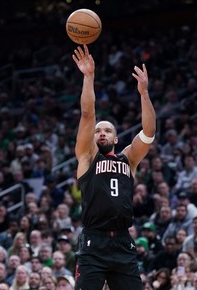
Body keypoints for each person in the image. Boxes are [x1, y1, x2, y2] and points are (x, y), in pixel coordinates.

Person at [72, 44, 156, 290]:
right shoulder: (87, 156)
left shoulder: (128, 158)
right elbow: (88, 114)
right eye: (98, 130)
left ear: (116, 139)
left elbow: (149, 132)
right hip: (93, 242)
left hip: (122, 242)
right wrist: (89, 77)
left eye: (107, 130)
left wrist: (144, 94)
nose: (101, 133)